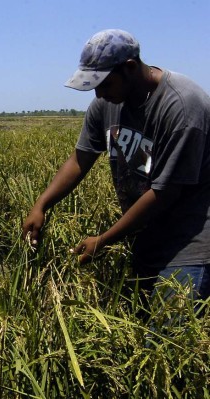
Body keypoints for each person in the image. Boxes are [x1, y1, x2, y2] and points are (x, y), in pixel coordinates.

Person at [22, 29, 210, 301]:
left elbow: (164, 192)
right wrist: (41, 204)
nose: (99, 93)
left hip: (191, 245)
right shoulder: (107, 103)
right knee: (139, 322)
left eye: (105, 84)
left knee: (164, 340)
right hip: (147, 239)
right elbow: (80, 159)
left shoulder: (181, 106)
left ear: (130, 68)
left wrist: (104, 240)